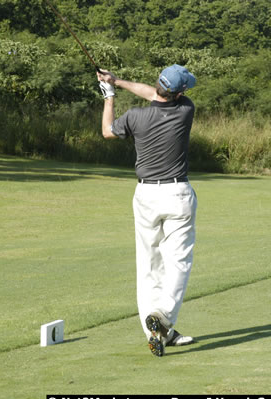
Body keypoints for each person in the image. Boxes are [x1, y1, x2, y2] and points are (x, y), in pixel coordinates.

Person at [97, 65, 198, 357]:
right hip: (177, 193)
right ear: (180, 93)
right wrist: (118, 82)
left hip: (145, 194)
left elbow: (107, 131)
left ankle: (154, 332)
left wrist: (110, 93)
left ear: (159, 85)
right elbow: (156, 94)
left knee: (149, 264)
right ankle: (164, 318)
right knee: (178, 262)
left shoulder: (135, 117)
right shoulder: (185, 110)